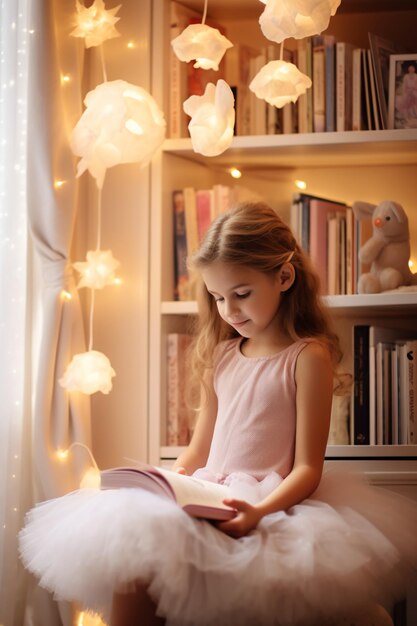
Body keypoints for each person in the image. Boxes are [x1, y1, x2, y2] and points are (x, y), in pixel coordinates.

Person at [20, 203, 416, 626]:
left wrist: (258, 512)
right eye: (217, 297)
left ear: (283, 277)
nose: (229, 310)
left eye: (241, 294)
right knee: (134, 550)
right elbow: (198, 449)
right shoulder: (223, 355)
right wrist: (167, 482)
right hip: (211, 492)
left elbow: (307, 469)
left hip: (269, 502)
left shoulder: (307, 357)